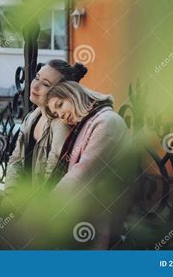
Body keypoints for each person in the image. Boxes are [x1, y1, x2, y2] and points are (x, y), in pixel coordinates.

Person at [41, 81, 135, 249]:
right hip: (88, 212)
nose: (61, 115)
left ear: (74, 95)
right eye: (56, 113)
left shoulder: (107, 121)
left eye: (60, 105)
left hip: (104, 215)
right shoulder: (86, 124)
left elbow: (85, 171)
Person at [2, 60, 88, 211]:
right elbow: (15, 160)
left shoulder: (61, 125)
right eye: (37, 77)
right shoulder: (32, 117)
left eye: (46, 84)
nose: (35, 86)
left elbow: (53, 178)